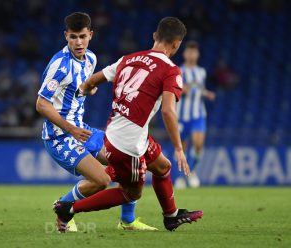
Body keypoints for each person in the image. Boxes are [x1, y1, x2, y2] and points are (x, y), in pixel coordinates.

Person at [53, 17, 203, 232]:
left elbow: (92, 81)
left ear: (154, 36)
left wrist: (85, 89)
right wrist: (179, 148)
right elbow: (168, 110)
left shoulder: (128, 59)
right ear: (177, 44)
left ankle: (171, 216)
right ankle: (69, 208)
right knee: (131, 193)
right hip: (128, 144)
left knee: (163, 167)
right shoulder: (171, 71)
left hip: (118, 132)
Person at [36, 12, 156, 232]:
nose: (78, 42)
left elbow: (79, 87)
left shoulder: (91, 59)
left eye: (82, 36)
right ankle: (63, 212)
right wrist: (71, 128)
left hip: (82, 130)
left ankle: (127, 221)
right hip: (60, 137)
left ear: (90, 35)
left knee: (129, 163)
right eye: (73, 37)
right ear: (66, 36)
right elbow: (42, 104)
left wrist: (87, 89)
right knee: (101, 180)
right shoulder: (60, 66)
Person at [175, 41, 215, 188]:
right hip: (181, 116)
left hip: (198, 114)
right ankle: (180, 178)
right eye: (189, 52)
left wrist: (207, 93)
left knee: (198, 145)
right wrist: (182, 89)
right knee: (182, 149)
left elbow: (199, 88)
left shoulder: (201, 72)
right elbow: (175, 90)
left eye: (194, 52)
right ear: (185, 54)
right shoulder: (178, 70)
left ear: (197, 55)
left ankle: (191, 172)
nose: (192, 55)